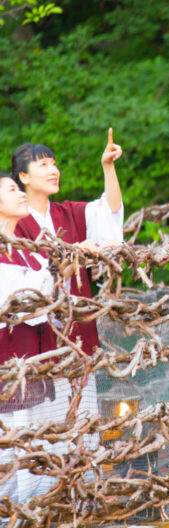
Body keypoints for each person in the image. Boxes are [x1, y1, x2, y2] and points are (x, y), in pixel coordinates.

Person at [11, 128, 124, 355]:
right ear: (24, 177)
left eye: (54, 164)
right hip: (35, 334)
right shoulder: (14, 224)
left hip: (78, 327)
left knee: (83, 386)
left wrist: (108, 167)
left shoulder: (69, 212)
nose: (54, 171)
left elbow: (109, 209)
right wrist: (72, 256)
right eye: (43, 165)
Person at [0, 172, 61, 503]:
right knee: (12, 445)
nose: (21, 193)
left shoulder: (26, 249)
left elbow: (43, 301)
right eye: (12, 189)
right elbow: (18, 304)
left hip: (32, 356)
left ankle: (35, 509)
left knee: (35, 440)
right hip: (7, 360)